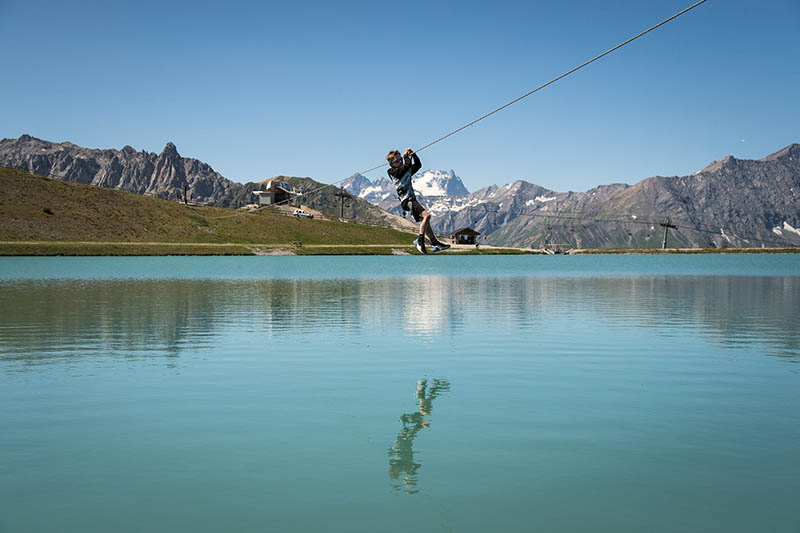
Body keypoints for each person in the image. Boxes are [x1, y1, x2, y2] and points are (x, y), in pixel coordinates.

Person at [386, 148, 451, 254]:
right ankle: (419, 241)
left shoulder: (405, 170)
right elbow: (406, 166)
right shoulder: (393, 172)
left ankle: (434, 242)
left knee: (425, 222)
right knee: (427, 216)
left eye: (400, 159)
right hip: (407, 200)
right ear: (391, 164)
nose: (400, 162)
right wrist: (406, 157)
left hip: (411, 199)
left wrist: (413, 154)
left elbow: (418, 165)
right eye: (396, 161)